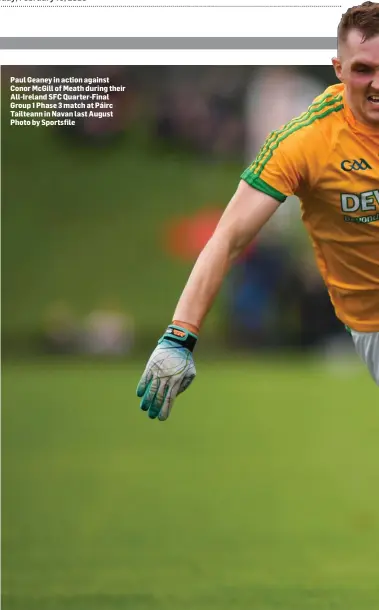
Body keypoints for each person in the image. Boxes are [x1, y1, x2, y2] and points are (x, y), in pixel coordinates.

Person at [137, 1, 379, 421]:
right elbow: (227, 239)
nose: (377, 83)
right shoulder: (303, 142)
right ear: (338, 69)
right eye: (363, 69)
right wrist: (179, 336)